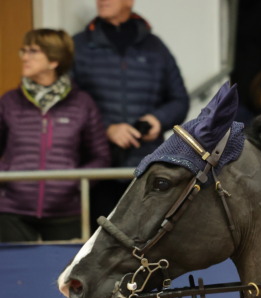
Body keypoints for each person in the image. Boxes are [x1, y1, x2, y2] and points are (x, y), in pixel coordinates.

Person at [71, 0, 189, 228]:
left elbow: (179, 99)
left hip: (146, 168)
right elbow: (68, 106)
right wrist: (106, 128)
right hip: (98, 171)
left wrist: (158, 119)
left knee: (146, 241)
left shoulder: (155, 47)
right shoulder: (79, 46)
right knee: (98, 245)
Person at [0, 29, 110, 242]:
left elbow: (101, 157)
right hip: (12, 212)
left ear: (54, 61)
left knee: (62, 275)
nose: (24, 57)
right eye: (23, 51)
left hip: (66, 212)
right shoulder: (9, 101)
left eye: (33, 51)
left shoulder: (82, 103)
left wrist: (73, 181)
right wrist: (7, 175)